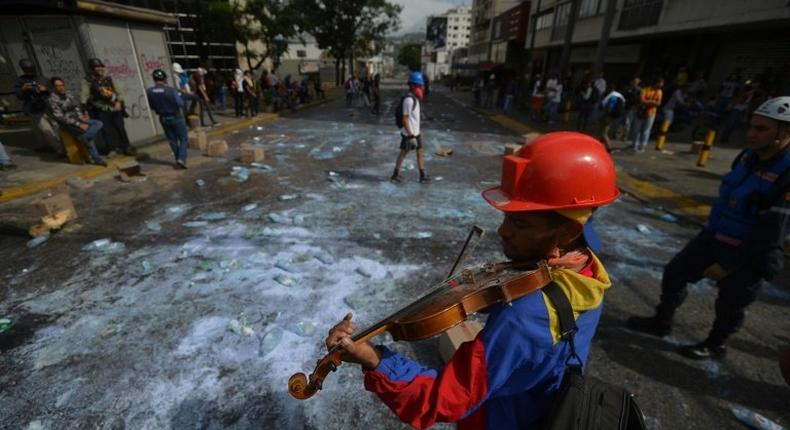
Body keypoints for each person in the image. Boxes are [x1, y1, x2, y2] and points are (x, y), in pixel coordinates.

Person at [325, 132, 619, 428]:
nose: (503, 232)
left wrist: (373, 358)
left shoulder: (520, 319)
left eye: (519, 223)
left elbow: (443, 400)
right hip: (542, 402)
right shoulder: (588, 268)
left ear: (567, 232)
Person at [627, 97, 790, 359]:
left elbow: (771, 232)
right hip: (716, 235)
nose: (750, 133)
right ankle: (662, 321)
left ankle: (716, 344)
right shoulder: (748, 156)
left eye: (761, 129)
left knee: (730, 303)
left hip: (750, 252)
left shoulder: (786, 173)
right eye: (751, 126)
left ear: (786, 132)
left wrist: (728, 264)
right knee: (675, 273)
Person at [81, 58, 136, 156]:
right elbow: (84, 96)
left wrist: (118, 102)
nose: (98, 69)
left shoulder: (108, 79)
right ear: (91, 69)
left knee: (120, 128)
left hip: (114, 107)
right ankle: (112, 149)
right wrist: (84, 109)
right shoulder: (88, 81)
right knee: (106, 130)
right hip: (101, 108)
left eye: (100, 67)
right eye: (96, 67)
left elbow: (119, 93)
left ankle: (127, 147)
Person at [49, 77, 106, 166]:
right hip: (67, 124)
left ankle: (84, 137)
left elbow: (76, 107)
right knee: (89, 138)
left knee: (98, 123)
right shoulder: (52, 99)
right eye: (58, 86)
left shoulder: (68, 94)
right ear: (53, 87)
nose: (61, 87)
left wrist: (82, 117)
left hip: (78, 120)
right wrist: (79, 124)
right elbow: (60, 117)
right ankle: (97, 159)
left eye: (62, 85)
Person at [14, 59, 61, 154]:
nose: (30, 71)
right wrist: (23, 89)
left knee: (56, 128)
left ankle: (58, 147)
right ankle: (59, 150)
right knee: (45, 130)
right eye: (27, 70)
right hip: (33, 109)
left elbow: (53, 91)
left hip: (47, 107)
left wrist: (45, 89)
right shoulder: (20, 81)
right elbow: (19, 95)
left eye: (31, 69)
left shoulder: (42, 79)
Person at [391, 71, 430, 184]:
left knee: (420, 152)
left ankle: (422, 175)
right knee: (403, 153)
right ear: (412, 86)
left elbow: (414, 118)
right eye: (419, 85)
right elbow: (405, 118)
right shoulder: (409, 100)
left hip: (415, 133)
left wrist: (418, 132)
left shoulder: (415, 98)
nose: (421, 88)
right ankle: (395, 174)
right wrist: (411, 135)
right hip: (409, 134)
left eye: (421, 85)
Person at [146, 69, 189, 169]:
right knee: (183, 138)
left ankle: (178, 158)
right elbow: (180, 103)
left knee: (172, 140)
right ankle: (181, 158)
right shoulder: (170, 90)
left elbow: (152, 106)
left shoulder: (149, 91)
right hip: (175, 117)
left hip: (163, 118)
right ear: (164, 78)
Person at [632, 78, 663, 152]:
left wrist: (648, 102)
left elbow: (658, 103)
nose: (661, 85)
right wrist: (652, 102)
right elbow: (642, 100)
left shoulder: (659, 92)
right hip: (641, 112)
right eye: (660, 83)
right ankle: (635, 145)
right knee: (637, 129)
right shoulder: (646, 90)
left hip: (651, 113)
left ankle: (642, 146)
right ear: (656, 83)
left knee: (646, 130)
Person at [600, 85, 625, 151]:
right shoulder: (620, 96)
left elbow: (609, 108)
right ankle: (601, 145)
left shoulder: (613, 96)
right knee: (605, 131)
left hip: (609, 116)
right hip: (614, 116)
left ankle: (609, 147)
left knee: (604, 133)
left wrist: (605, 115)